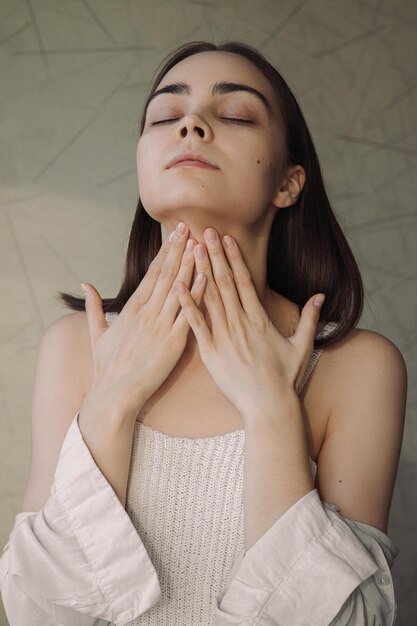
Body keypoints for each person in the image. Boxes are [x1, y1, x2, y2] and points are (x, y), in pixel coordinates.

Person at [0, 40, 407, 625]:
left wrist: (271, 411)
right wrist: (111, 399)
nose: (189, 124)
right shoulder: (74, 348)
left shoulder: (358, 368)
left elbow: (351, 620)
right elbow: (37, 614)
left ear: (290, 183)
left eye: (236, 115)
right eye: (166, 116)